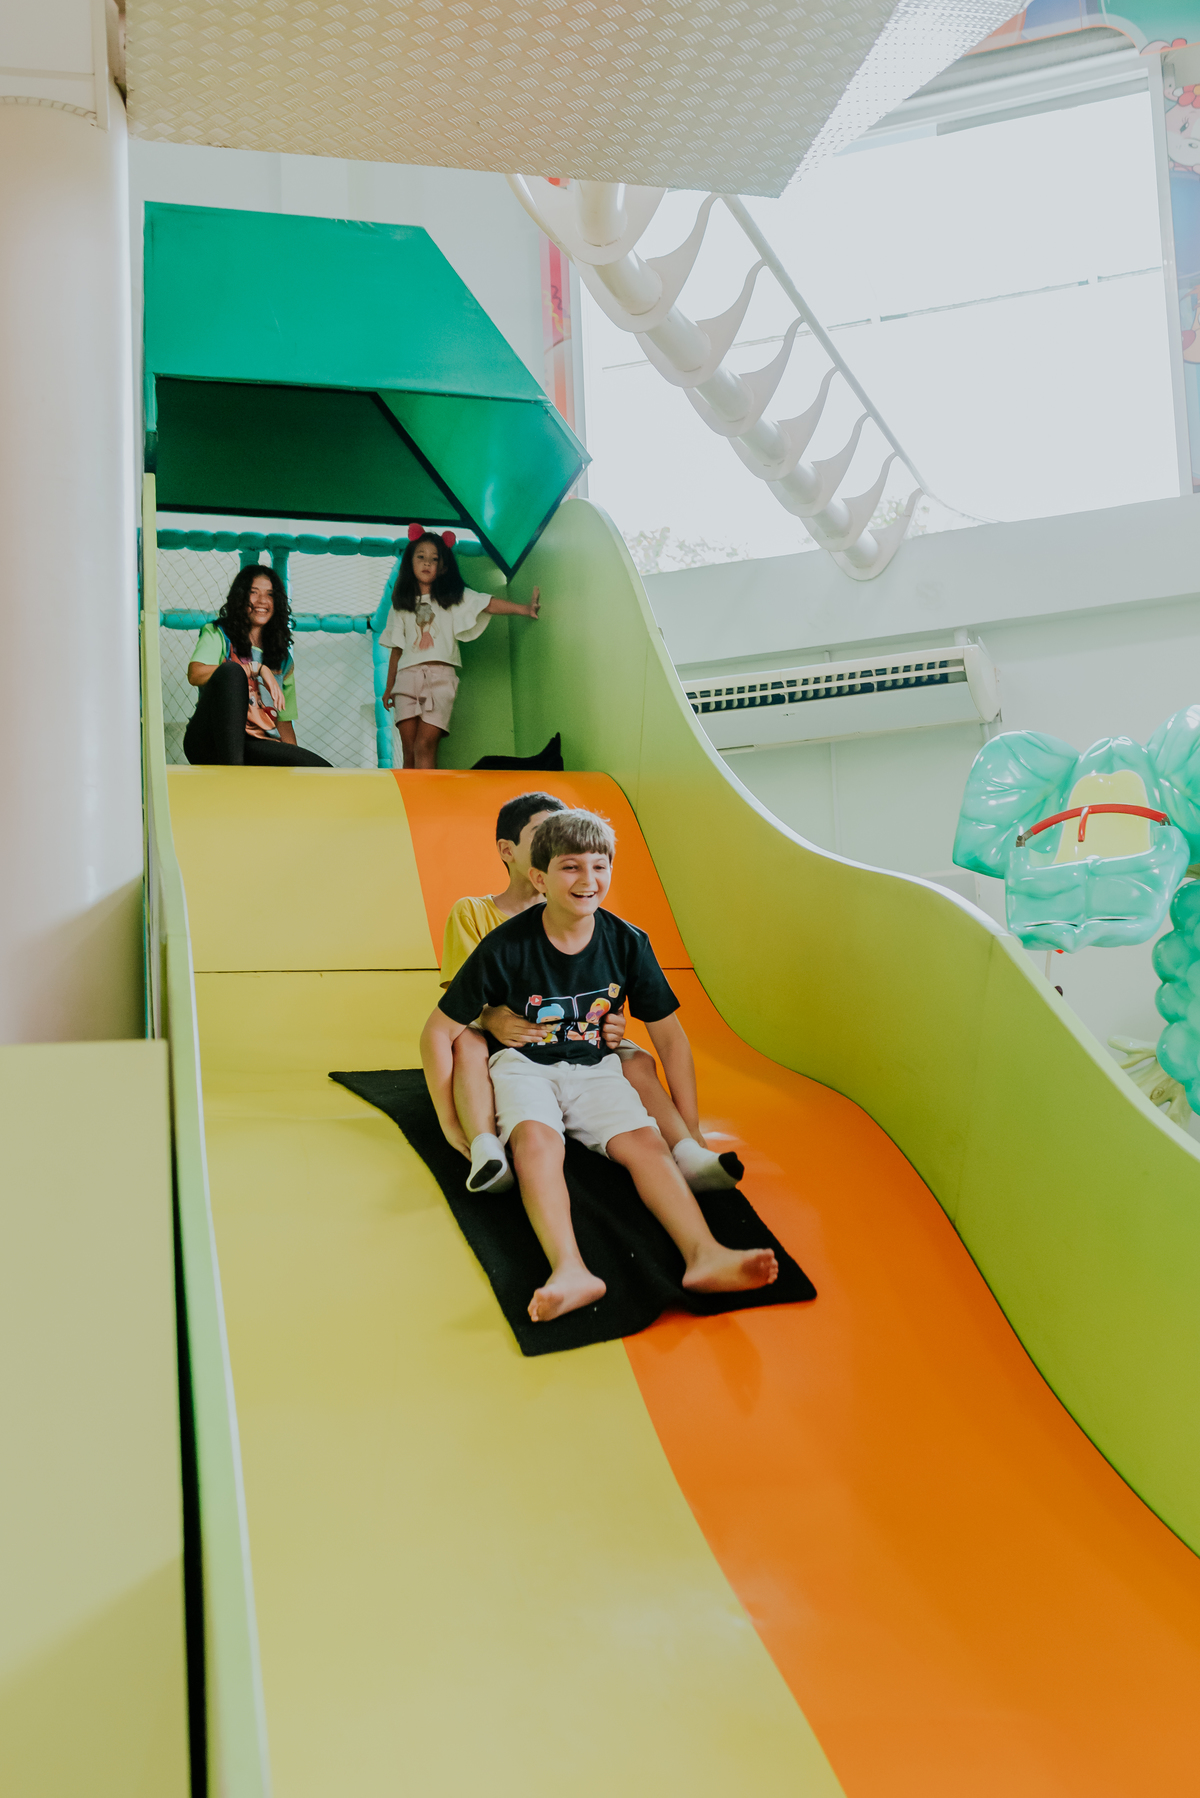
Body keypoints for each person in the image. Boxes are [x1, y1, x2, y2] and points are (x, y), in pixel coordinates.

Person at [421, 808, 778, 1323]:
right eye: (570, 867)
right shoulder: (505, 945)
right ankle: (569, 1269)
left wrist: (691, 1128)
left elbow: (670, 1039)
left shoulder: (627, 942)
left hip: (596, 1068)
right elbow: (438, 1032)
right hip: (523, 1066)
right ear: (539, 878)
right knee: (536, 1144)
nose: (587, 879)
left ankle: (704, 1254)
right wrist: (448, 1122)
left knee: (648, 1145)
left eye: (599, 866)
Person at [442, 790, 746, 1197]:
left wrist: (613, 1018)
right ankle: (484, 1144)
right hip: (513, 1039)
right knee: (467, 1043)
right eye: (545, 832)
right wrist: (491, 1016)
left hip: (580, 1034)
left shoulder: (596, 918)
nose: (562, 836)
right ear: (510, 851)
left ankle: (686, 1148)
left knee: (638, 1059)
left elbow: (615, 990)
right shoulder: (481, 917)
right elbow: (459, 1000)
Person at [380, 528, 540, 769]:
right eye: (420, 557)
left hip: (440, 678)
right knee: (409, 750)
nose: (427, 563)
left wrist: (524, 609)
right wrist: (388, 687)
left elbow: (487, 603)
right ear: (410, 563)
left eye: (434, 559)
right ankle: (412, 794)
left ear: (443, 567)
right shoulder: (401, 605)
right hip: (406, 678)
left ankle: (428, 794)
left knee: (424, 745)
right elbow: (396, 648)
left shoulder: (453, 597)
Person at [184, 564, 331, 767]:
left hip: (252, 743)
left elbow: (283, 722)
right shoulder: (218, 633)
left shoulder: (282, 659)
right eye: (254, 592)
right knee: (232, 671)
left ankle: (240, 770)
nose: (262, 600)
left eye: (270, 594)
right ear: (241, 598)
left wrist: (294, 766)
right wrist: (256, 668)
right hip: (211, 740)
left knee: (318, 768)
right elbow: (195, 674)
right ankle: (234, 777)